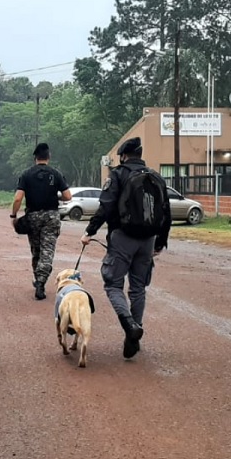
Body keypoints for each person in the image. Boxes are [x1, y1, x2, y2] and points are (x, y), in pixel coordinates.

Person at [81, 137, 171, 360]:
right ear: (140, 155)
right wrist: (159, 242)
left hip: (123, 237)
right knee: (138, 287)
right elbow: (166, 212)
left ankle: (129, 325)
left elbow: (106, 206)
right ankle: (135, 331)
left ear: (123, 156)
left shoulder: (119, 174)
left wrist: (90, 232)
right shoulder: (155, 177)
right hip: (148, 239)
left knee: (113, 284)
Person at [11, 143, 72, 301]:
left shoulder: (26, 174)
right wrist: (55, 194)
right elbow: (68, 196)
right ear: (48, 157)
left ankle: (38, 279)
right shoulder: (56, 174)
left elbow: (18, 198)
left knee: (36, 250)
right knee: (47, 251)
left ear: (35, 158)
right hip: (51, 216)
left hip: (33, 217)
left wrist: (13, 216)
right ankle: (41, 282)